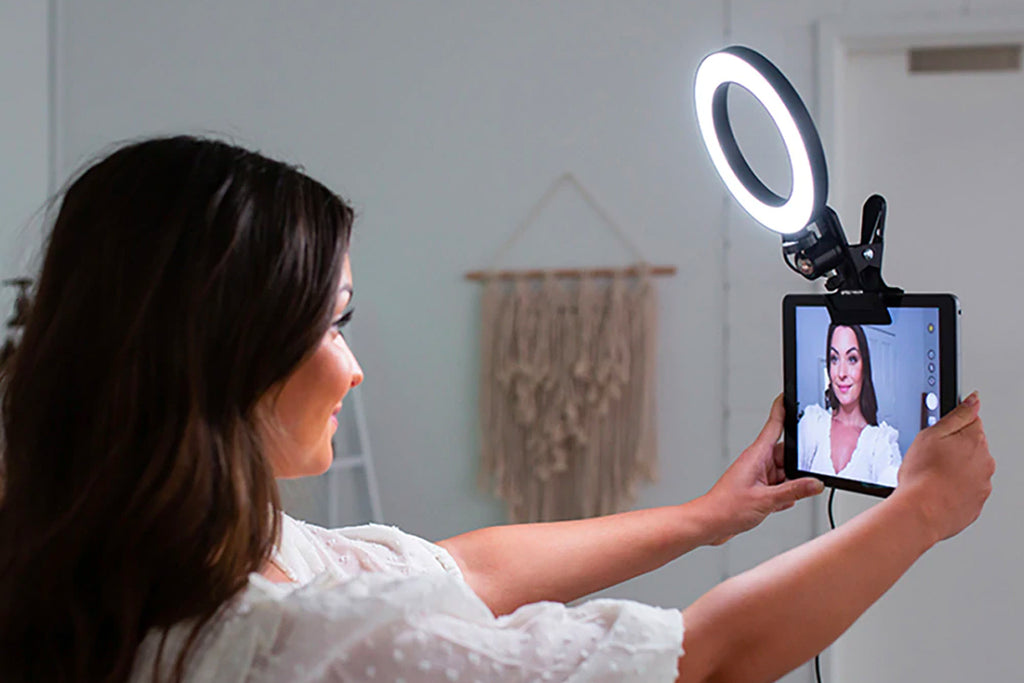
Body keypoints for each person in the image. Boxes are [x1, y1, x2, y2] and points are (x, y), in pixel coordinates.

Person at [0, 137, 993, 683]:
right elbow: (705, 659)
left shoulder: (153, 570)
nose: (353, 368)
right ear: (227, 354)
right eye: (334, 322)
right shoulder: (303, 648)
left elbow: (464, 569)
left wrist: (709, 514)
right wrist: (919, 514)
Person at [798, 323, 902, 487]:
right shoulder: (812, 423)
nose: (841, 373)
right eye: (834, 359)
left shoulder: (880, 442)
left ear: (864, 367)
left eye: (852, 359)